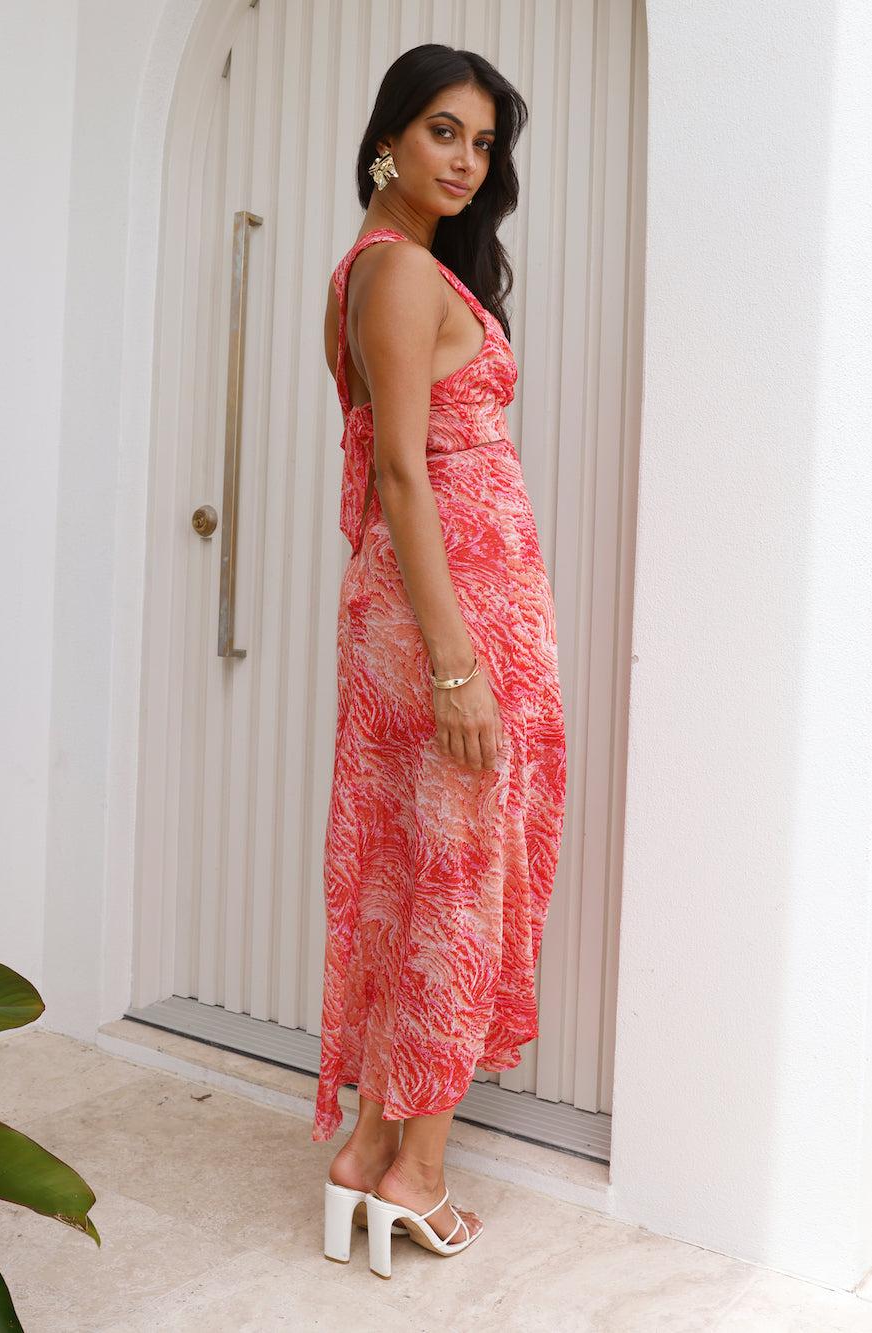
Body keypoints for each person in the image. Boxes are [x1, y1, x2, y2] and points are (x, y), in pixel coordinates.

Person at [315, 44, 567, 1278]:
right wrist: (459, 667)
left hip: (437, 614)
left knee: (417, 877)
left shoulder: (374, 268)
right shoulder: (401, 272)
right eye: (442, 132)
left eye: (482, 142)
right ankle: (416, 1175)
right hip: (447, 625)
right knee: (453, 888)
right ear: (388, 140)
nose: (466, 161)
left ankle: (370, 1149)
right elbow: (404, 475)